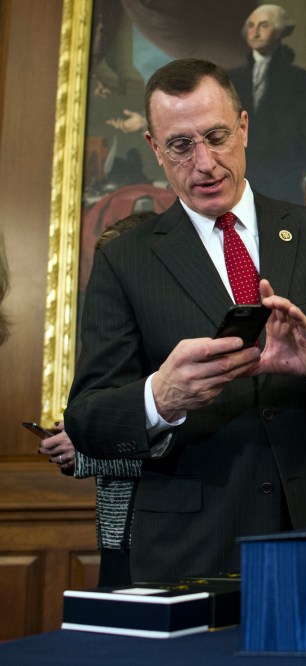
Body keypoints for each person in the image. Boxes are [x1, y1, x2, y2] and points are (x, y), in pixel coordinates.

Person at [64, 58, 306, 583]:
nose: (205, 162)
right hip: (191, 544)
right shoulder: (124, 260)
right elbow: (87, 418)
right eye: (180, 145)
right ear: (155, 149)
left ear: (243, 128)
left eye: (217, 136)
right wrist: (161, 398)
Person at [38, 213, 156, 587]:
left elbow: (186, 449)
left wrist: (87, 451)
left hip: (163, 535)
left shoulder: (175, 345)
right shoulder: (113, 343)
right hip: (119, 533)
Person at [228, 4, 306, 205]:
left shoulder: (302, 81)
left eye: (264, 25)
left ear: (279, 31)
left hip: (286, 182)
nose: (256, 32)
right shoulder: (230, 80)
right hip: (239, 180)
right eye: (251, 26)